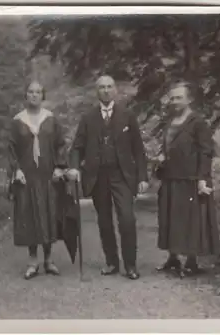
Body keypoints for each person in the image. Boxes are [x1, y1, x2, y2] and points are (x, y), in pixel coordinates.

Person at [66, 75, 149, 280]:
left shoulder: (127, 115)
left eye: (109, 87)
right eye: (101, 87)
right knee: (104, 221)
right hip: (98, 176)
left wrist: (142, 177)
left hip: (122, 175)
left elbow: (138, 149)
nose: (105, 90)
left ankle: (130, 265)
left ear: (115, 90)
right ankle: (112, 262)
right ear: (97, 91)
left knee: (127, 219)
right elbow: (77, 147)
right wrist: (75, 167)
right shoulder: (88, 118)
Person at [154, 79, 220, 278]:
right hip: (171, 177)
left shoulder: (197, 122)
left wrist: (202, 178)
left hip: (190, 178)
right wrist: (161, 156)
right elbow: (168, 145)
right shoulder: (170, 122)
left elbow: (206, 151)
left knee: (190, 220)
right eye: (172, 98)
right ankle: (173, 258)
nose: (174, 101)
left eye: (179, 98)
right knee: (169, 218)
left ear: (189, 99)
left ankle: (191, 262)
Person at [7, 81, 68, 280]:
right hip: (27, 175)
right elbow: (11, 149)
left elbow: (60, 144)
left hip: (47, 174)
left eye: (38, 92)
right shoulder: (17, 121)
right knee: (29, 214)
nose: (34, 95)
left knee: (48, 213)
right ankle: (33, 261)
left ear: (43, 95)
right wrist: (16, 170)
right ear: (25, 96)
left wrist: (60, 166)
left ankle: (49, 260)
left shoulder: (51, 120)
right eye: (30, 92)